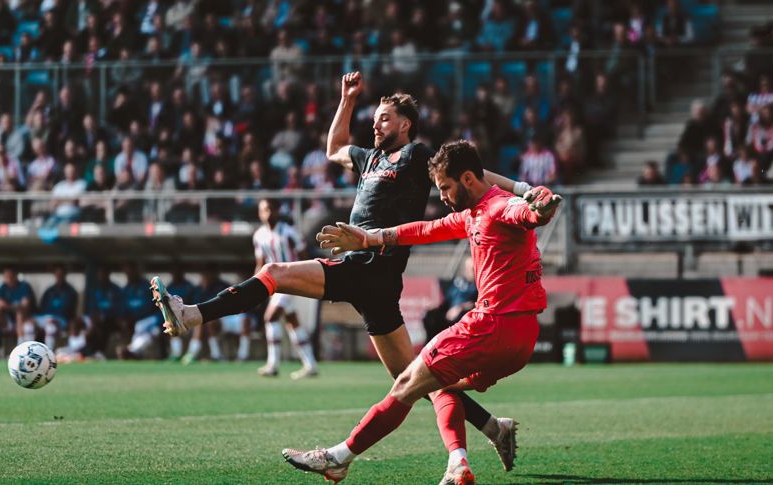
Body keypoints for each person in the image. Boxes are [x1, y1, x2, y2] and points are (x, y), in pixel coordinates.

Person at [149, 72, 548, 460]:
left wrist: (520, 189)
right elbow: (333, 147)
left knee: (274, 274)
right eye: (373, 118)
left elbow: (473, 175)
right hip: (369, 275)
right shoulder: (369, 158)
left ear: (406, 124)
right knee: (418, 379)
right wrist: (347, 99)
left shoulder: (416, 155)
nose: (375, 124)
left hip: (370, 266)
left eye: (384, 118)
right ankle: (495, 429)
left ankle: (193, 315)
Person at [283, 139, 561, 484]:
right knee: (438, 385)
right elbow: (426, 230)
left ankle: (338, 458)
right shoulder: (475, 213)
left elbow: (527, 213)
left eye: (445, 187)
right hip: (521, 339)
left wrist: (541, 208)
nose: (442, 196)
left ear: (469, 179)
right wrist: (369, 238)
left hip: (490, 326)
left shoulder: (499, 207)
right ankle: (459, 463)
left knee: (407, 384)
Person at [253, 198, 318, 379]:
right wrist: (253, 287)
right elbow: (260, 263)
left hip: (291, 281)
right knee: (292, 322)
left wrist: (305, 277)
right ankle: (310, 364)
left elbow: (304, 256)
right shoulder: (259, 236)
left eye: (270, 209)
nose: (267, 213)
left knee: (270, 317)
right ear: (259, 213)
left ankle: (273, 364)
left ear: (277, 210)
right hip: (275, 284)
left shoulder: (289, 232)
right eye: (263, 210)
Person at [0, 266, 36, 360]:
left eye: (11, 276)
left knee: (19, 314)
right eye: (6, 277)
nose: (8, 279)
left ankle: (20, 349)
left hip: (23, 320)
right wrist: (2, 306)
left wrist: (8, 306)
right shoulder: (3, 287)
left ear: (16, 276)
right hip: (7, 321)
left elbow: (25, 306)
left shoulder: (24, 286)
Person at [35, 265, 79, 351]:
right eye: (57, 274)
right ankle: (25, 353)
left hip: (61, 320)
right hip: (46, 318)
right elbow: (41, 309)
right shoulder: (49, 291)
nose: (59, 276)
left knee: (50, 327)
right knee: (28, 325)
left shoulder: (70, 291)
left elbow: (70, 311)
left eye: (61, 274)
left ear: (65, 275)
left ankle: (49, 353)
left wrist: (55, 319)